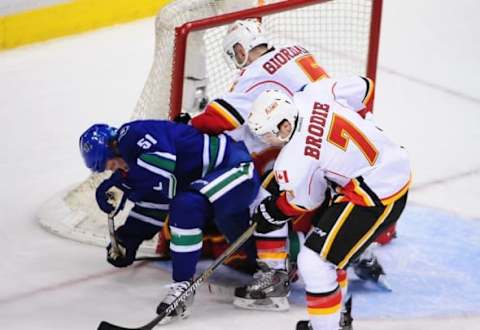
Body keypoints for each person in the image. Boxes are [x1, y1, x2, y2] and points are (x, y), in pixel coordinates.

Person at [175, 18, 330, 311]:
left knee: (263, 203)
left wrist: (188, 126)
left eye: (235, 52)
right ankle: (357, 253)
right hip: (333, 135)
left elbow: (222, 118)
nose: (236, 60)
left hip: (303, 147)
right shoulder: (297, 50)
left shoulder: (255, 74)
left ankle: (273, 280)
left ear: (240, 47)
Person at [246, 76, 411, 330]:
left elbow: (307, 201)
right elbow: (364, 86)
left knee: (314, 262)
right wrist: (366, 122)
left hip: (376, 193)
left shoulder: (293, 160)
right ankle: (335, 320)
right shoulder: (313, 92)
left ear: (284, 126)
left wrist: (273, 212)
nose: (265, 140)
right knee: (329, 256)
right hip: (391, 162)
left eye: (266, 134)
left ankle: (328, 326)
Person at [78, 120, 260, 324]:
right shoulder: (141, 171)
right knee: (254, 252)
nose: (117, 170)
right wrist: (126, 240)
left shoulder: (132, 134)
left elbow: (163, 162)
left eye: (113, 163)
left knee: (185, 206)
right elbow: (154, 205)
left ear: (114, 146)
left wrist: (123, 185)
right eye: (111, 169)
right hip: (213, 183)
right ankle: (275, 273)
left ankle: (182, 289)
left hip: (236, 169)